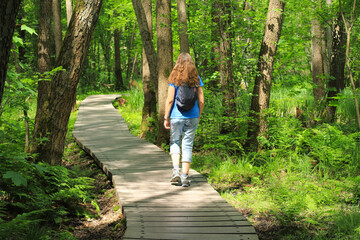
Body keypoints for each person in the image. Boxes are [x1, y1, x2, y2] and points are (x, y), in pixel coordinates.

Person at [163, 53, 205, 187]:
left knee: (175, 141)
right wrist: (199, 115)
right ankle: (185, 177)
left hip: (176, 116)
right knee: (187, 145)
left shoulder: (174, 78)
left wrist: (166, 117)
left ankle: (176, 171)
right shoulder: (196, 79)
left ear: (178, 63)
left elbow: (170, 100)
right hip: (192, 116)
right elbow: (202, 100)